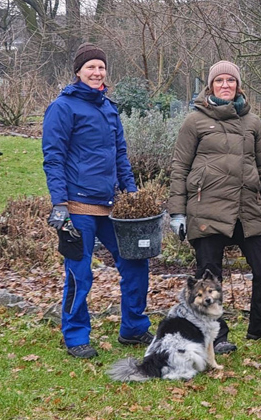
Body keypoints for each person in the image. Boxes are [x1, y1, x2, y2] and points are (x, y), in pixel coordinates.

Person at [168, 60, 261, 355]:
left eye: (230, 81)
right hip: (206, 207)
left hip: (246, 209)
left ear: (238, 86)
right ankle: (216, 334)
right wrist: (177, 212)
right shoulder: (194, 122)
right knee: (209, 276)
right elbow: (179, 168)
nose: (225, 85)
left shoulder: (252, 123)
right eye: (219, 81)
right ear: (210, 86)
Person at [42, 42, 153, 359]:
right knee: (80, 273)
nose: (97, 71)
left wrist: (131, 193)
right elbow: (53, 158)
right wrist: (59, 203)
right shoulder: (63, 108)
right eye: (90, 67)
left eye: (101, 66)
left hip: (111, 206)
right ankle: (76, 335)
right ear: (78, 72)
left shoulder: (108, 107)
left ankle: (133, 327)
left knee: (135, 263)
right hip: (77, 207)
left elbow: (120, 155)